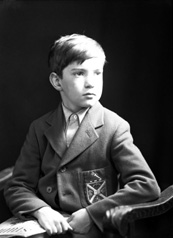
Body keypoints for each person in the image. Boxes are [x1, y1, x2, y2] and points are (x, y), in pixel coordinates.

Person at [4, 34, 160, 238]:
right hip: (47, 225)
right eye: (79, 73)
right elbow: (18, 186)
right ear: (56, 81)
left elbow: (146, 185)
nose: (91, 83)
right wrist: (41, 210)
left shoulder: (114, 126)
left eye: (97, 73)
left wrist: (91, 213)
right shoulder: (40, 128)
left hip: (90, 227)